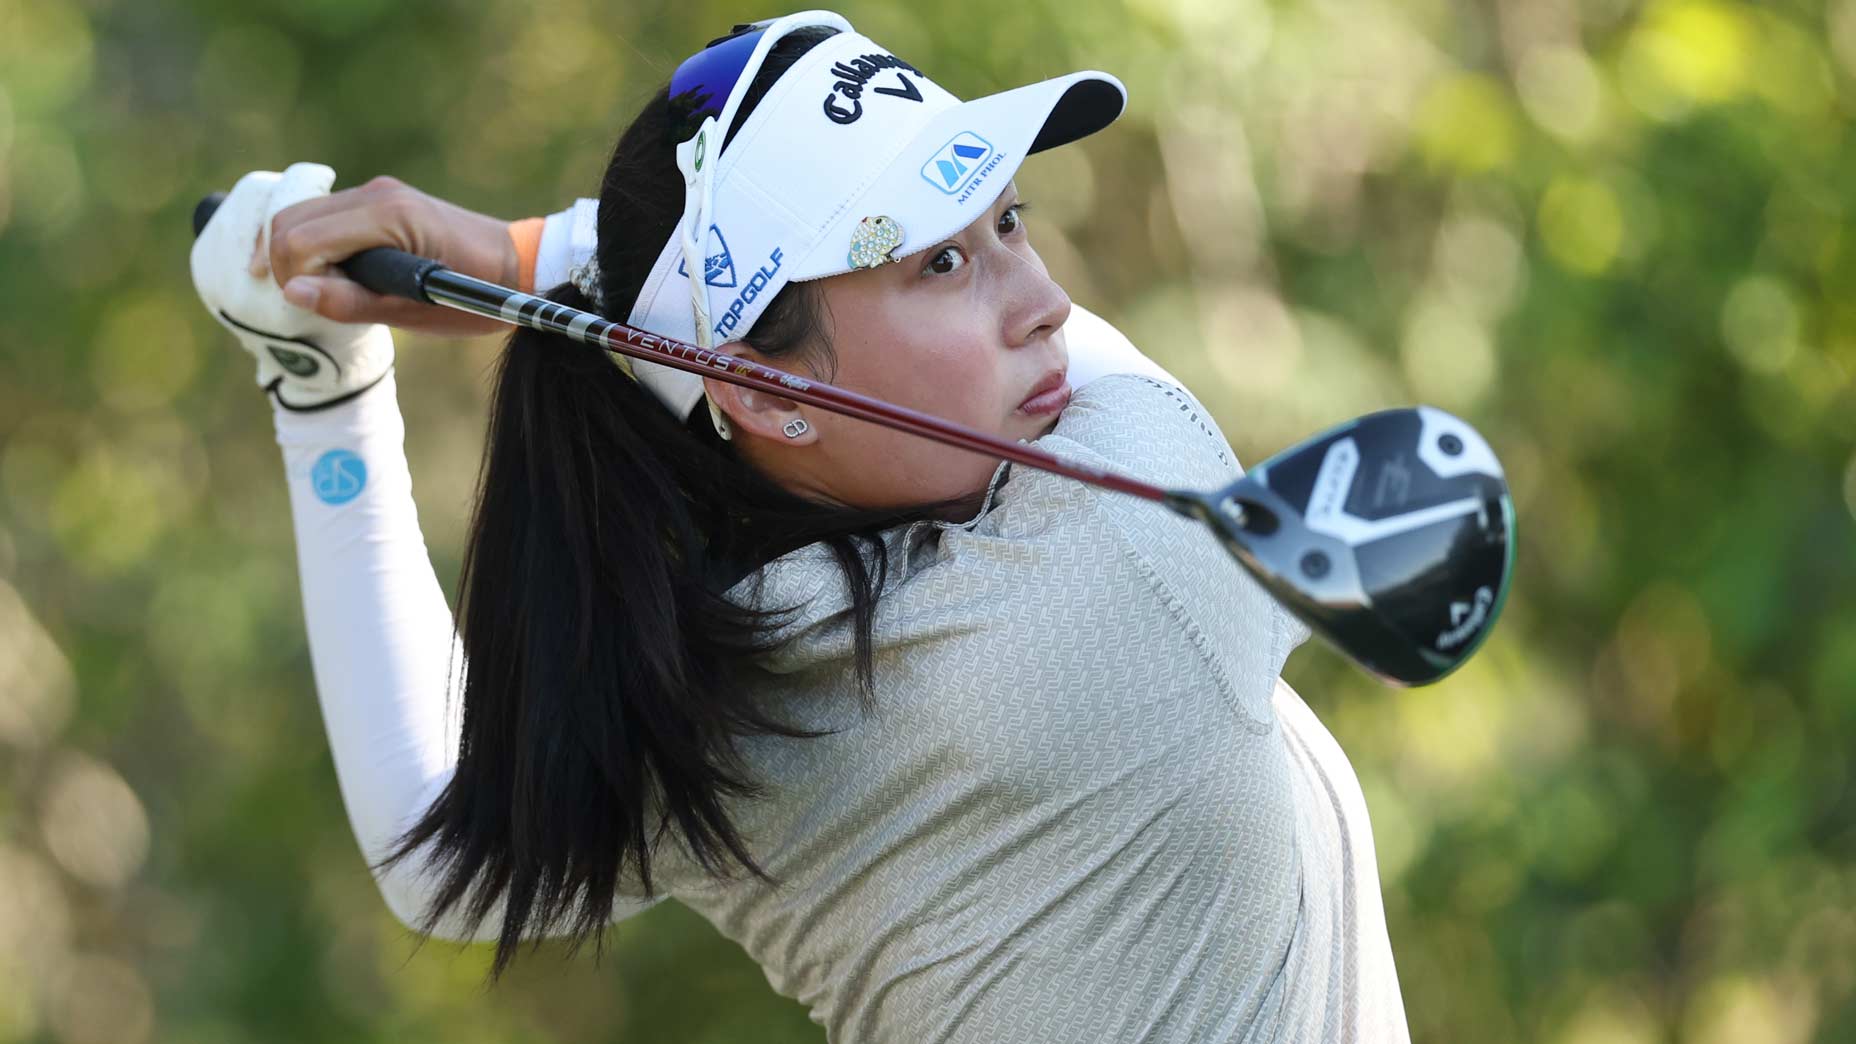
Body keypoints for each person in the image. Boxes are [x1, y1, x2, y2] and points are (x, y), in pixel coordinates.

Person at [190, 11, 1410, 1042]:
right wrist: (542, 254)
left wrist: (327, 397)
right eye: (937, 264)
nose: (1041, 303)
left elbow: (430, 852)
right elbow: (1111, 370)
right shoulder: (1126, 542)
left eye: (1006, 220)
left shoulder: (724, 662)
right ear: (768, 392)